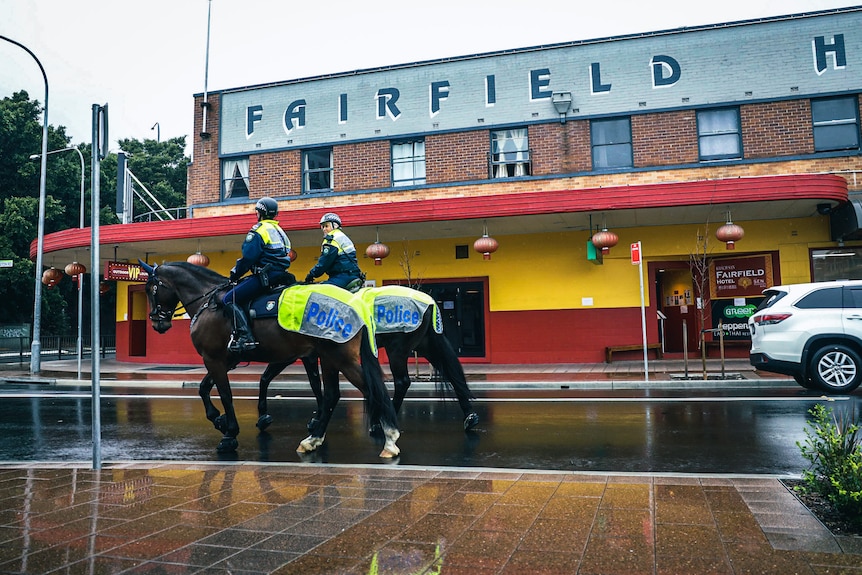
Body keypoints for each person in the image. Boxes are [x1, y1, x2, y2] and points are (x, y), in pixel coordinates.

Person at [222, 197, 295, 353]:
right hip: (282, 276)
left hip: (265, 277)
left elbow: (248, 258)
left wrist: (235, 274)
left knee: (229, 299)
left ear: (260, 212)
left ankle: (245, 337)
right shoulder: (281, 232)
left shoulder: (259, 230)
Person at [304, 212, 365, 291]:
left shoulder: (332, 239)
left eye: (326, 226)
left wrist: (311, 274)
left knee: (319, 292)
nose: (324, 229)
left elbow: (325, 262)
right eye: (322, 226)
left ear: (335, 226)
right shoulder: (342, 236)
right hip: (353, 275)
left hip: (341, 276)